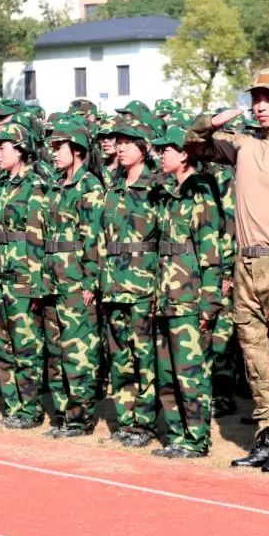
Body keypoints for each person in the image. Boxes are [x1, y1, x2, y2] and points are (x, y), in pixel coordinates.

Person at [183, 68, 269, 473]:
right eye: (255, 98)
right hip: (246, 263)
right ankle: (265, 437)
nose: (260, 106)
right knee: (256, 358)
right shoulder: (242, 144)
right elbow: (192, 145)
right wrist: (212, 120)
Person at [151, 125, 225, 458]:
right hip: (166, 299)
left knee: (191, 374)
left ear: (184, 154)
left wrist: (209, 304)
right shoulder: (170, 195)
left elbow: (211, 255)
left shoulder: (200, 195)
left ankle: (196, 439)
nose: (160, 155)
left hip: (189, 302)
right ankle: (177, 435)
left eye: (166, 150)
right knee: (167, 374)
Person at [99, 115, 161, 447]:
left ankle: (145, 424)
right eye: (118, 143)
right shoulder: (113, 185)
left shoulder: (156, 186)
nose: (120, 148)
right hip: (113, 284)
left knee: (145, 358)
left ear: (143, 148)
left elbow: (166, 239)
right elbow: (102, 236)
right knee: (120, 358)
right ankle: (126, 421)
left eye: (127, 143)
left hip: (143, 284)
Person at [42, 117, 105, 437]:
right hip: (52, 280)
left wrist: (91, 281)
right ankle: (63, 415)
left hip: (76, 281)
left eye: (59, 147)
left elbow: (94, 238)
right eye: (52, 147)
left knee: (78, 352)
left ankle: (80, 418)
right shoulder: (56, 184)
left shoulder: (89, 187)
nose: (53, 152)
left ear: (77, 149)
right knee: (56, 353)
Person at [0, 123, 50, 429]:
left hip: (24, 276)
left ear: (21, 150)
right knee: (3, 346)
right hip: (1, 275)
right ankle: (13, 406)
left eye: (3, 148)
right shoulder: (3, 185)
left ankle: (30, 409)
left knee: (26, 346)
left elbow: (39, 237)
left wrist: (37, 283)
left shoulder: (34, 186)